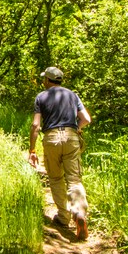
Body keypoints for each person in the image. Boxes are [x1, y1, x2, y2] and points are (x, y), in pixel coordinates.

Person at [27, 66, 92, 240]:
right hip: (71, 137)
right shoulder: (73, 95)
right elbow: (86, 119)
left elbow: (35, 125)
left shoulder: (41, 97)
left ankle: (63, 217)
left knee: (56, 178)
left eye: (44, 79)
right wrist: (76, 128)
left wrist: (32, 149)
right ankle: (79, 212)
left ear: (48, 80)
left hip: (51, 139)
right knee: (74, 180)